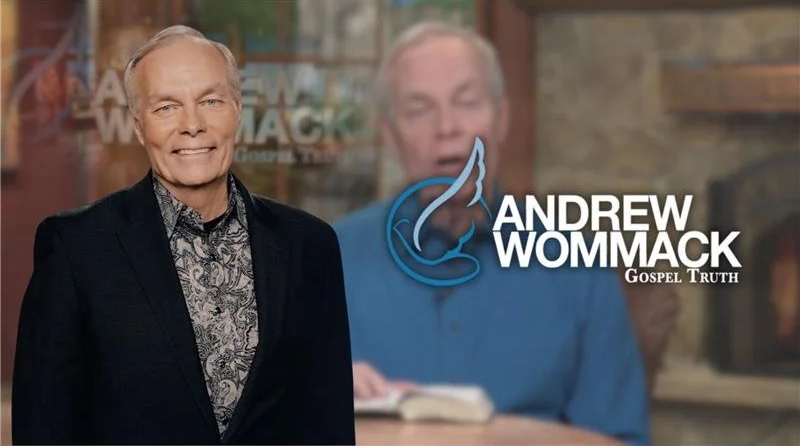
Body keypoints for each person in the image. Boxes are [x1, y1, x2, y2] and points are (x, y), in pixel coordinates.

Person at [13, 25, 355, 445]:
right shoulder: (75, 248)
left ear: (237, 110)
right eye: (166, 107)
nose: (192, 124)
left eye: (211, 101)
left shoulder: (309, 245)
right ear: (139, 126)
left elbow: (329, 422)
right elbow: (42, 427)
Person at [333, 22, 651, 445]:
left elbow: (617, 438)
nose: (447, 126)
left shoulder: (576, 264)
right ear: (390, 136)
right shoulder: (325, 259)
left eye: (466, 102)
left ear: (501, 118)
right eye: (419, 110)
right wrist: (316, 393)